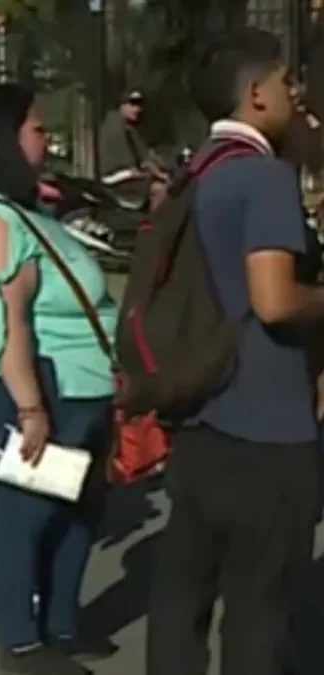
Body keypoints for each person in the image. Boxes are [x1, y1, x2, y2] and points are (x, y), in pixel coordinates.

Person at [146, 29, 320, 675]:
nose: (295, 93)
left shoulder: (196, 170)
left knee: (182, 594)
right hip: (268, 426)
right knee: (259, 610)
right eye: (285, 82)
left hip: (201, 415)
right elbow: (274, 300)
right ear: (255, 92)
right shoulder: (266, 177)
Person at [0, 83, 118, 675]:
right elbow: (6, 321)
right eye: (38, 129)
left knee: (75, 516)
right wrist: (32, 409)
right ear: (5, 138)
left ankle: (61, 625)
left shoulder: (25, 212)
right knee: (24, 518)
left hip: (80, 389)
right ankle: (21, 644)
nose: (48, 139)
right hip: (44, 390)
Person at [97, 89, 169, 207]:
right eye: (133, 104)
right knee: (160, 190)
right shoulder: (114, 125)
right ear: (122, 105)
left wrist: (159, 172)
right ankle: (156, 223)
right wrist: (152, 173)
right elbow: (126, 166)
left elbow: (145, 157)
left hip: (130, 176)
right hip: (117, 180)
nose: (137, 109)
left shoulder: (130, 128)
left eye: (139, 105)